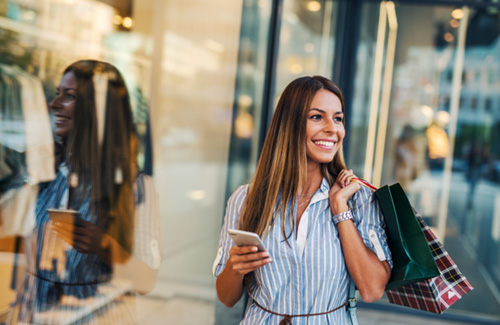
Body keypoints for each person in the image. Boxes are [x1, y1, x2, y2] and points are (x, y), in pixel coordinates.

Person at [213, 76, 392, 324]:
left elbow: (373, 289)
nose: (332, 129)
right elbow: (226, 297)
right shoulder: (245, 199)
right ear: (290, 124)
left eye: (338, 118)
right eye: (317, 117)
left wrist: (340, 208)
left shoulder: (358, 199)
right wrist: (234, 267)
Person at [8, 60, 161, 324]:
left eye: (69, 97)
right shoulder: (50, 172)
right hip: (35, 315)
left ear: (97, 111)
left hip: (94, 317)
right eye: (57, 94)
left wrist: (105, 247)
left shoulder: (135, 186)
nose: (54, 105)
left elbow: (146, 281)